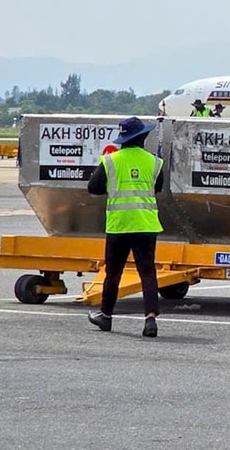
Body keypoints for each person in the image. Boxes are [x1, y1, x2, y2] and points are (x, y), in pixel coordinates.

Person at [86, 117, 165, 337]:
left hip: (119, 225)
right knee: (147, 272)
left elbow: (93, 187)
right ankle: (150, 319)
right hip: (146, 224)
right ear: (143, 137)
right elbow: (157, 187)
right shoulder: (155, 162)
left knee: (113, 273)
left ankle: (106, 316)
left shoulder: (111, 161)